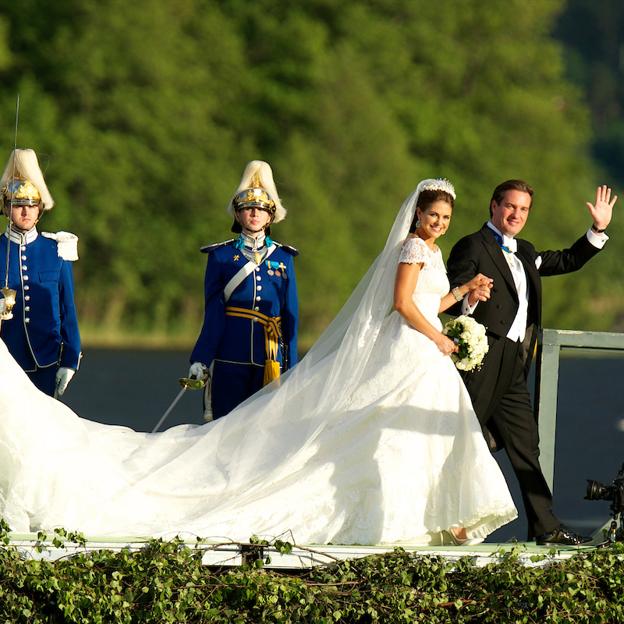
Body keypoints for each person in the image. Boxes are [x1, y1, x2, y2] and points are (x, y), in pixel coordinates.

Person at [0, 178, 517, 545]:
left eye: (446, 219)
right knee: (250, 434)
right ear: (418, 215)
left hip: (371, 355)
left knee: (398, 440)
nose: (439, 225)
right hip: (273, 355)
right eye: (433, 216)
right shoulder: (408, 248)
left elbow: (412, 306)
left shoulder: (415, 254)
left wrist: (463, 293)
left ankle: (422, 517)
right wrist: (442, 339)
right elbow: (403, 306)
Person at [446, 179, 617, 546]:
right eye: (510, 206)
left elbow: (568, 259)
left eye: (523, 209)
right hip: (480, 357)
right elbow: (455, 292)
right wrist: (471, 297)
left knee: (526, 443)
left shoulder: (526, 251)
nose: (516, 214)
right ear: (493, 206)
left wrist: (598, 229)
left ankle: (546, 527)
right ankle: (436, 516)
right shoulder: (471, 245)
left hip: (514, 363)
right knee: (454, 439)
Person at [189, 160, 298, 420]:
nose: (254, 214)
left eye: (260, 209)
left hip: (269, 360)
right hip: (229, 358)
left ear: (271, 215)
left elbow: (290, 316)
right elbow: (213, 314)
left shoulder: (284, 258)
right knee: (222, 428)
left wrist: (292, 368)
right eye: (247, 208)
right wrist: (201, 359)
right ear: (237, 214)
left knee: (264, 430)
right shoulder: (221, 256)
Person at [0, 148, 81, 398]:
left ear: (40, 209)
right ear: (6, 207)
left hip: (46, 362)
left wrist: (70, 361)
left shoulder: (57, 250)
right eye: (18, 205)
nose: (25, 212)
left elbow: (68, 310)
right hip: (6, 365)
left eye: (31, 205)